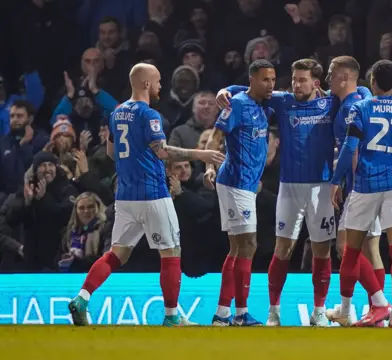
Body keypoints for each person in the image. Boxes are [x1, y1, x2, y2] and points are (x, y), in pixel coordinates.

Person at [214, 59, 371, 326]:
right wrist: (226, 89)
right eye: (294, 79)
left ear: (316, 83)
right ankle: (273, 311)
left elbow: (361, 94)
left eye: (302, 80)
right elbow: (252, 89)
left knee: (322, 250)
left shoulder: (331, 104)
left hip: (321, 187)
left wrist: (367, 92)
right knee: (282, 249)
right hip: (289, 187)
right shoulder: (283, 101)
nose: (296, 84)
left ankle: (319, 311)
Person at [68, 63, 226, 327]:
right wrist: (201, 154)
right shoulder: (149, 115)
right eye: (158, 81)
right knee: (171, 251)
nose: (160, 86)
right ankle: (172, 315)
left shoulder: (116, 113)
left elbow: (110, 153)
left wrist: (134, 163)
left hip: (126, 196)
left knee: (117, 253)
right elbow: (162, 151)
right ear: (145, 84)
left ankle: (82, 299)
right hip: (153, 194)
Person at [327, 60, 392, 327]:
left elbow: (350, 147)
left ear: (373, 81)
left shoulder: (361, 108)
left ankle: (345, 309)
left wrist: (336, 180)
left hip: (366, 186)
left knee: (351, 251)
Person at [204, 59, 276, 326]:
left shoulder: (262, 106)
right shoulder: (237, 105)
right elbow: (215, 137)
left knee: (237, 248)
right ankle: (239, 313)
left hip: (244, 184)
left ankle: (223, 314)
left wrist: (225, 88)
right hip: (235, 181)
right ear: (253, 80)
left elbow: (233, 88)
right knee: (248, 245)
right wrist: (209, 166)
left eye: (273, 79)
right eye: (265, 79)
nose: (270, 85)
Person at [328, 56, 386, 325]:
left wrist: (345, 184)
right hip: (376, 184)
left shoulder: (351, 108)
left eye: (331, 73)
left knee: (345, 246)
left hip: (359, 186)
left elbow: (353, 149)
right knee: (370, 248)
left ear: (343, 77)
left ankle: (375, 303)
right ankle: (380, 312)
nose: (328, 78)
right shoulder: (359, 98)